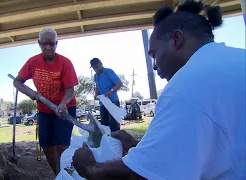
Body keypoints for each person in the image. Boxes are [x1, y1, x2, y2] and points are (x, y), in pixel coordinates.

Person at [72, 1, 245, 180]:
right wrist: (135, 146)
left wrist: (90, 167)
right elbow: (189, 150)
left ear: (176, 39)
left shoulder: (185, 86)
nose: (154, 66)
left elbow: (143, 176)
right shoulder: (237, 58)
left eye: (154, 55)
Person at [13, 27, 78, 175]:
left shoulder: (65, 63)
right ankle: (58, 174)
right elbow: (17, 82)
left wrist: (62, 104)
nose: (48, 47)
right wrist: (31, 93)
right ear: (39, 44)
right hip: (44, 110)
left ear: (56, 44)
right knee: (47, 146)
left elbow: (70, 90)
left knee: (62, 145)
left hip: (64, 108)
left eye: (52, 44)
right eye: (44, 44)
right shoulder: (33, 62)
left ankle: (67, 175)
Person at [90, 58, 123, 132]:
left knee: (114, 125)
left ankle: (116, 142)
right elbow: (97, 86)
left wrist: (111, 91)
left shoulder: (108, 72)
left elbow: (119, 84)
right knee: (104, 125)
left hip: (113, 102)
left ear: (100, 64)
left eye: (97, 67)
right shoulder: (95, 76)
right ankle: (108, 142)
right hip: (103, 103)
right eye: (94, 68)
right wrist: (96, 94)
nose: (96, 70)